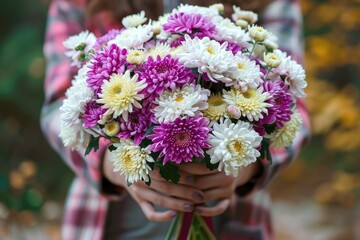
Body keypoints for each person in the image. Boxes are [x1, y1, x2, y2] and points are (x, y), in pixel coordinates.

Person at [41, 0, 310, 239]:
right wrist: (114, 165)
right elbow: (59, 108)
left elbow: (291, 106)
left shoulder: (273, 3)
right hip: (110, 223)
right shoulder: (75, 4)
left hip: (233, 219)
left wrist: (247, 167)